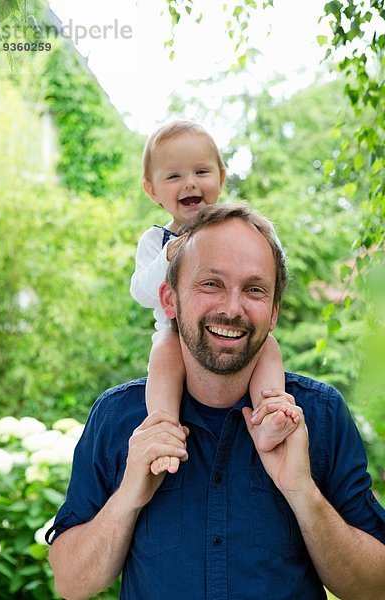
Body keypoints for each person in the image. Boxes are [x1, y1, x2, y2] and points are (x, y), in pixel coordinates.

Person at [47, 204, 385, 600]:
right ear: (169, 300)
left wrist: (301, 491)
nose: (232, 308)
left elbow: (375, 587)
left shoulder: (320, 415)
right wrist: (127, 498)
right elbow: (70, 583)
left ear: (273, 312)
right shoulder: (117, 417)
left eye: (255, 289)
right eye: (211, 284)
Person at [130, 120, 298, 475]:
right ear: (152, 190)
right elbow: (142, 292)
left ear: (221, 179)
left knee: (268, 347)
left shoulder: (240, 228)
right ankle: (163, 428)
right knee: (163, 354)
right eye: (174, 176)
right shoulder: (156, 241)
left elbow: (273, 262)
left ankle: (270, 411)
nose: (190, 182)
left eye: (201, 171)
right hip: (177, 334)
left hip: (235, 343)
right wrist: (168, 257)